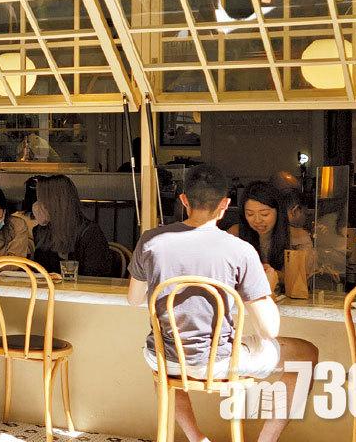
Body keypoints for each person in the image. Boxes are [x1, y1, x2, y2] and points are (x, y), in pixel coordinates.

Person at [127, 165, 318, 442]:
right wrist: (267, 287)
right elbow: (269, 330)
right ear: (225, 204)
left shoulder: (150, 240)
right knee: (307, 354)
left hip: (166, 358)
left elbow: (134, 299)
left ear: (184, 200)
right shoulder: (240, 250)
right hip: (220, 362)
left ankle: (197, 438)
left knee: (166, 362)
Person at [227, 181, 314, 292]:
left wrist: (274, 274)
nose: (257, 220)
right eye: (250, 214)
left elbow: (302, 282)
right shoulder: (235, 234)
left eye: (264, 214)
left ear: (278, 211)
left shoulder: (299, 237)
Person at [30, 175, 114, 277]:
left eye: (41, 200)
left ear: (56, 203)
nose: (37, 205)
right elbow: (39, 272)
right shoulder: (41, 231)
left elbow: (96, 278)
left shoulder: (90, 233)